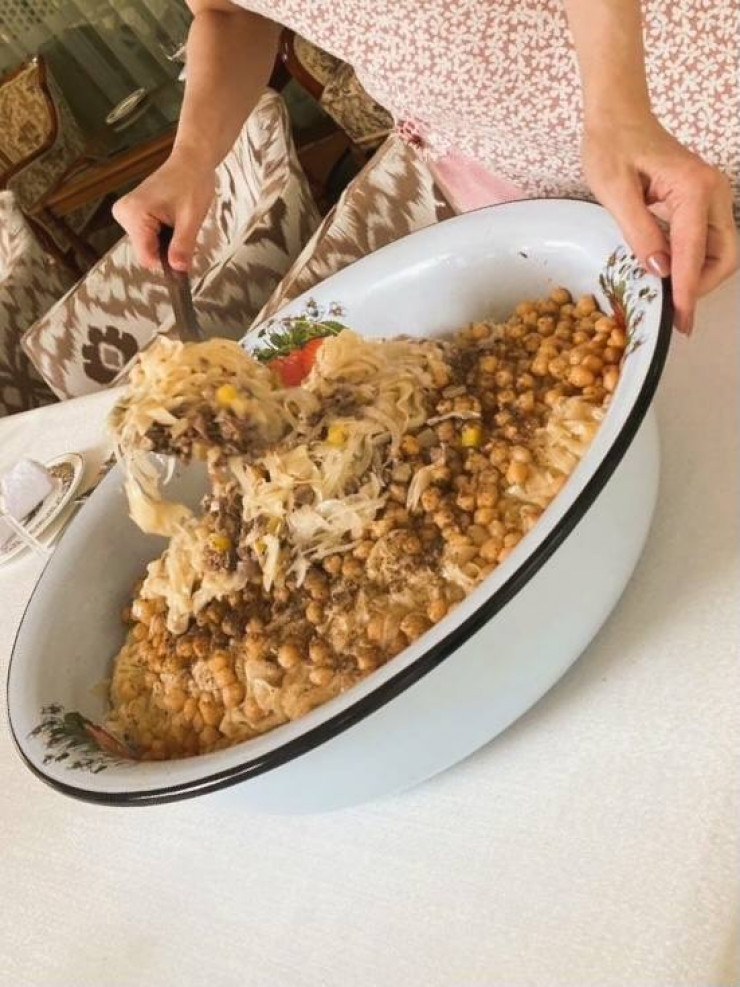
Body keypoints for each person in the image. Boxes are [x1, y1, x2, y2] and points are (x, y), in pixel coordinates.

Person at [113, 0, 739, 336]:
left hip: (676, 79)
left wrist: (620, 108)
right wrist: (190, 158)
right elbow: (229, 12)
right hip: (513, 159)